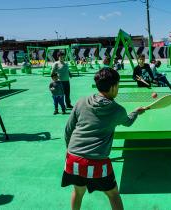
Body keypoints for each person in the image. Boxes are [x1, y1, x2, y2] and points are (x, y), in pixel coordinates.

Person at [62, 68, 146, 210]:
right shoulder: (117, 110)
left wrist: (71, 153)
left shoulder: (81, 101)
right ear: (113, 87)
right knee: (113, 194)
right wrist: (136, 112)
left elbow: (68, 130)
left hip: (73, 158)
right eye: (118, 86)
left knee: (78, 191)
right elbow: (128, 122)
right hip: (97, 162)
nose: (118, 89)